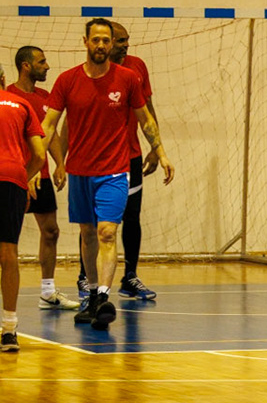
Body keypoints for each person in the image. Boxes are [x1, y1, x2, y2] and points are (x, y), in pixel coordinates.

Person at [41, 18, 174, 331]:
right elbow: (49, 126)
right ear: (85, 42)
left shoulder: (127, 79)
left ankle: (103, 296)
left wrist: (161, 152)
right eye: (96, 40)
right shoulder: (67, 80)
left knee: (107, 232)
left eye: (106, 40)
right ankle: (91, 294)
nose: (101, 45)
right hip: (79, 172)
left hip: (115, 171)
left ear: (111, 43)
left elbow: (146, 120)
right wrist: (41, 165)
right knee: (87, 233)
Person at [7, 47, 79, 311]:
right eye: (42, 62)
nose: (47, 66)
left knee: (51, 231)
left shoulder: (45, 98)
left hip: (42, 175)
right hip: (16, 176)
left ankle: (48, 292)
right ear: (25, 66)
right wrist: (27, 171)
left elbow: (51, 134)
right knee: (7, 240)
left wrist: (60, 163)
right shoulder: (9, 98)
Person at [107, 22, 158, 303]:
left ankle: (130, 276)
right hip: (101, 159)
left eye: (127, 40)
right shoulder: (93, 72)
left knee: (132, 216)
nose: (126, 45)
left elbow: (147, 108)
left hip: (131, 156)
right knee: (96, 222)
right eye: (120, 40)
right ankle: (86, 279)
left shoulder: (137, 67)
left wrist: (156, 148)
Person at [0, 78, 49, 353]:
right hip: (12, 179)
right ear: (3, 80)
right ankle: (9, 330)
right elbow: (39, 155)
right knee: (9, 253)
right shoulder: (21, 104)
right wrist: (22, 178)